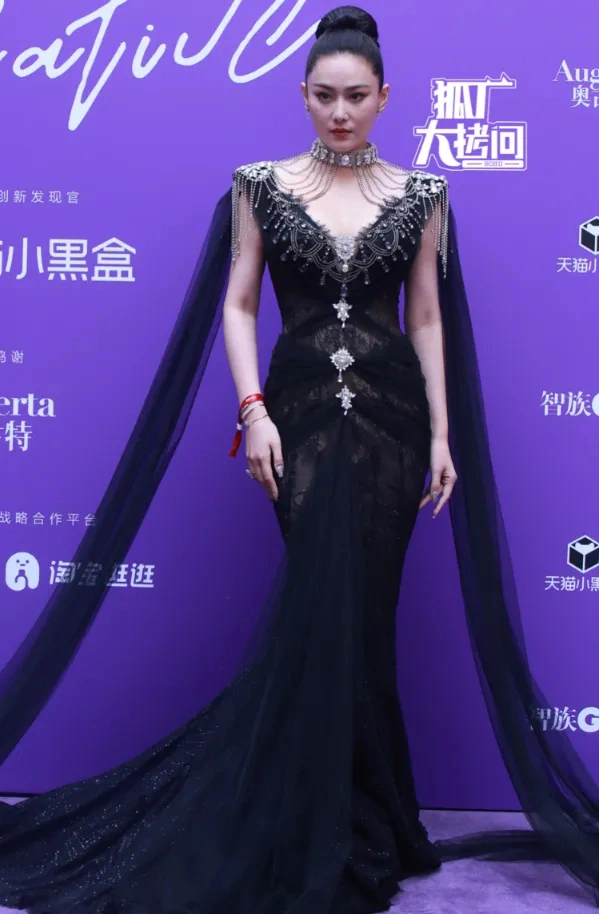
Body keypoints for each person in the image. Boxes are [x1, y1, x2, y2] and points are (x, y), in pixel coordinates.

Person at [0, 6, 597, 914]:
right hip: (298, 418)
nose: (340, 113)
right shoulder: (260, 187)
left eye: (356, 96)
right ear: (303, 96)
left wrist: (442, 435)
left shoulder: (424, 194)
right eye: (324, 96)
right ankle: (312, 809)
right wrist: (253, 412)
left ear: (385, 96)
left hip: (395, 423)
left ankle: (371, 811)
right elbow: (240, 305)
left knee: (367, 616)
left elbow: (425, 316)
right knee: (323, 605)